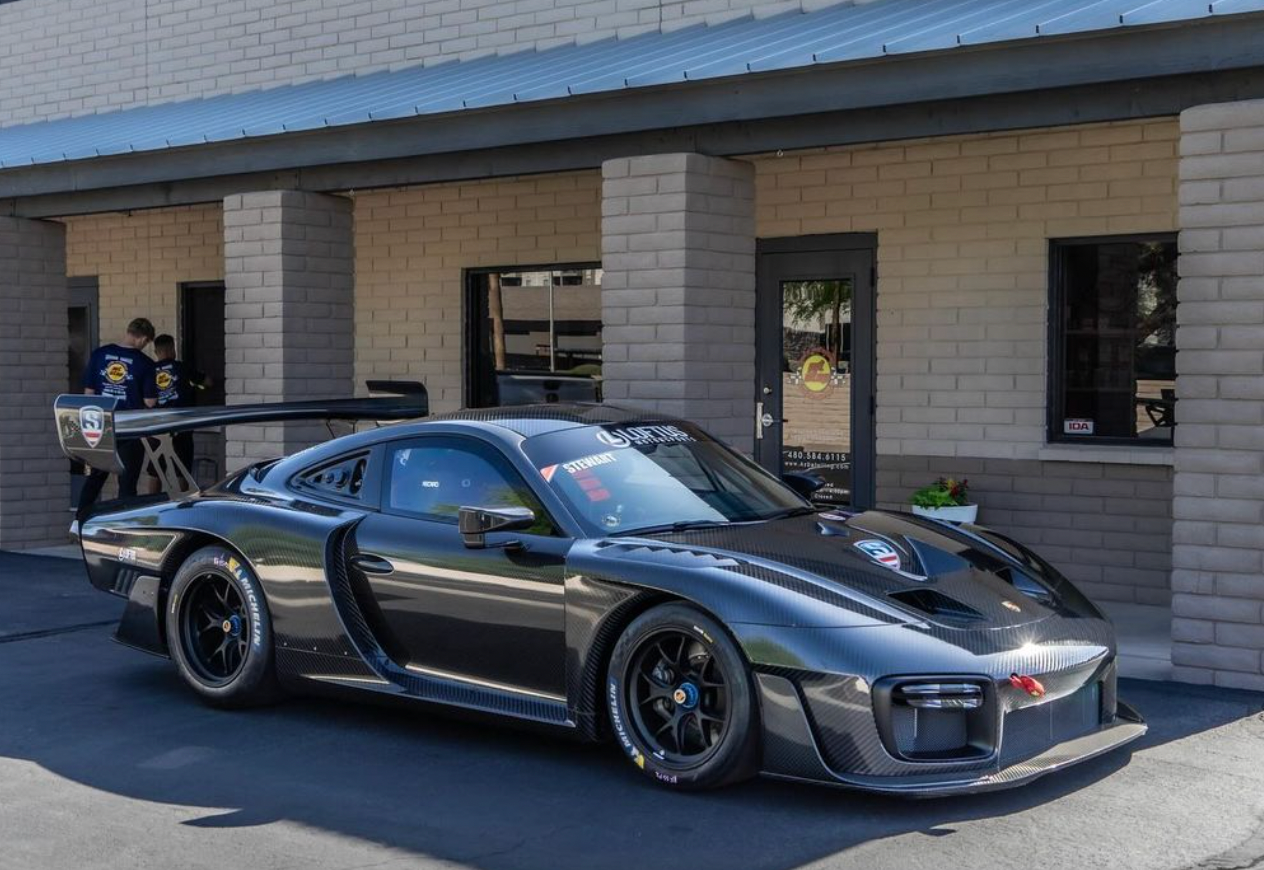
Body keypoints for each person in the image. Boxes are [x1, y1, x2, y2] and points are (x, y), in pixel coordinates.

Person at [76, 317, 158, 519]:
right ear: (143, 339)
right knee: (128, 483)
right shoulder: (145, 364)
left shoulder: (100, 354)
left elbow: (88, 393)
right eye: (146, 343)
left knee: (95, 478)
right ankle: (124, 527)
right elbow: (150, 402)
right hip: (130, 429)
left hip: (102, 427)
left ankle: (80, 522)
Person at [149, 333, 210, 489]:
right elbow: (208, 382)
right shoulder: (182, 367)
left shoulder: (149, 371)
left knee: (156, 471)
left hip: (157, 426)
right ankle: (182, 504)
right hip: (181, 424)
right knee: (182, 470)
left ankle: (150, 504)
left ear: (156, 352)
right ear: (172, 350)